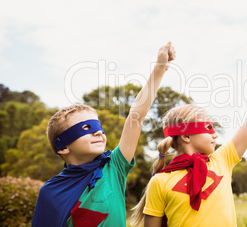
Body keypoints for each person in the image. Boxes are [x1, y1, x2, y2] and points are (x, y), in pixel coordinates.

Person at [131, 69, 247, 226]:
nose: (215, 134)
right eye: (208, 128)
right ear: (186, 136)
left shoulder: (222, 160)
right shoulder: (160, 181)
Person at [32, 42, 176, 227]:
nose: (98, 132)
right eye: (86, 128)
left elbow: (136, 116)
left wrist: (160, 69)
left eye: (99, 127)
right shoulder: (50, 192)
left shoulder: (114, 166)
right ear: (64, 146)